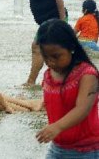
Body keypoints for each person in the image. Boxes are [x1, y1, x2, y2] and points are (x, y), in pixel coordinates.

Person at [35, 19, 98, 157]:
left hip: (86, 150)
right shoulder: (49, 74)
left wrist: (57, 126)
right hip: (57, 147)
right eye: (46, 57)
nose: (50, 61)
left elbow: (82, 109)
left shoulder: (87, 74)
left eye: (56, 56)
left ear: (71, 47)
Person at [13, 0, 66, 86]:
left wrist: (63, 23)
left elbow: (59, 0)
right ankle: (58, 80)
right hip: (44, 22)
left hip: (53, 20)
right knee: (50, 51)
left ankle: (32, 81)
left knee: (37, 47)